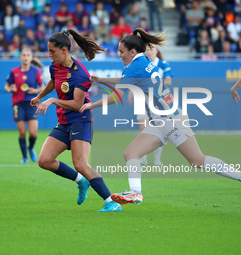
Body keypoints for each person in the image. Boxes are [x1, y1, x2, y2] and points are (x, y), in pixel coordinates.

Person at [80, 28, 241, 206]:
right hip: (159, 121)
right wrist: (100, 79)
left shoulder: (135, 66)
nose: (119, 55)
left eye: (121, 51)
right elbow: (125, 79)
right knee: (131, 153)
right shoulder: (144, 61)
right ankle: (136, 193)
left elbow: (115, 97)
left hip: (171, 119)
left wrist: (91, 105)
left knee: (197, 160)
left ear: (132, 52)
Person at [30, 29, 122, 212]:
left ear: (64, 50)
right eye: (48, 50)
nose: (49, 55)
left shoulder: (80, 74)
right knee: (45, 160)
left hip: (81, 119)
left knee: (80, 164)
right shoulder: (54, 66)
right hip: (64, 122)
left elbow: (77, 104)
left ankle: (111, 201)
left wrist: (53, 100)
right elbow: (53, 81)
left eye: (52, 51)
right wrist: (40, 96)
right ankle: (81, 181)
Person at [128, 44, 173, 166]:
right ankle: (143, 158)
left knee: (159, 129)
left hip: (157, 100)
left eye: (151, 49)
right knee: (144, 129)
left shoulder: (162, 64)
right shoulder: (142, 64)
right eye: (147, 50)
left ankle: (157, 159)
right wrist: (131, 93)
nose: (149, 52)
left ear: (156, 51)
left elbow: (168, 80)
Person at [5, 48, 44, 163]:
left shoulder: (36, 71)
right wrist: (11, 89)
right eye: (24, 55)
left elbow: (42, 87)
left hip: (31, 103)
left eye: (28, 55)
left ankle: (30, 148)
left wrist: (35, 91)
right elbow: (6, 86)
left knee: (33, 132)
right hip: (18, 103)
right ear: (20, 57)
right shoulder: (14, 71)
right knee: (22, 132)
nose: (26, 57)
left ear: (31, 58)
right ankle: (24, 157)